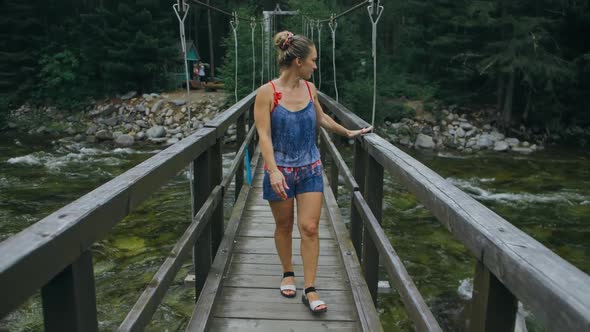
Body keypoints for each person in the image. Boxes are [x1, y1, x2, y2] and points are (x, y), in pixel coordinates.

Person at [253, 30, 372, 314]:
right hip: (280, 171)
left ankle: (310, 288)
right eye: (313, 60)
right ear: (298, 62)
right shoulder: (267, 92)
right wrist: (272, 171)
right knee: (284, 226)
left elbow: (321, 118)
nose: (315, 66)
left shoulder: (310, 89)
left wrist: (347, 131)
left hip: (310, 167)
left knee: (309, 227)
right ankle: (287, 272)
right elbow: (264, 135)